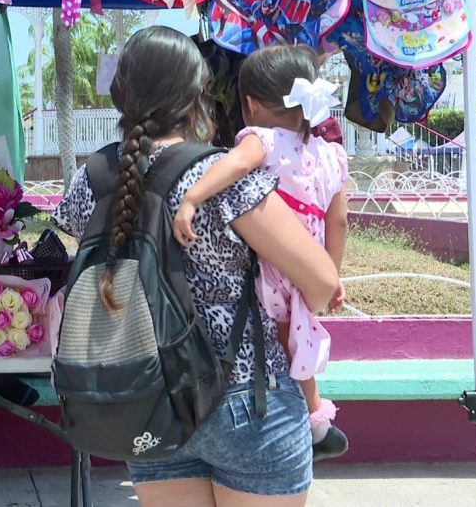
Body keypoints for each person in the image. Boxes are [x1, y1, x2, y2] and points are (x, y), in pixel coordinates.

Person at [52, 27, 339, 507]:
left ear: (121, 92)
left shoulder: (93, 178)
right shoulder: (219, 174)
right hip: (248, 398)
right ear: (196, 96)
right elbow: (323, 282)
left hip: (150, 398)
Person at [173, 45, 350, 462]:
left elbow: (232, 166)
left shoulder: (262, 139)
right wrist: (329, 274)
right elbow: (338, 220)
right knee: (296, 331)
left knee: (277, 334)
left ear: (250, 105)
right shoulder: (332, 154)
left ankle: (310, 418)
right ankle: (316, 419)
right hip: (309, 259)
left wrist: (193, 198)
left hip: (273, 259)